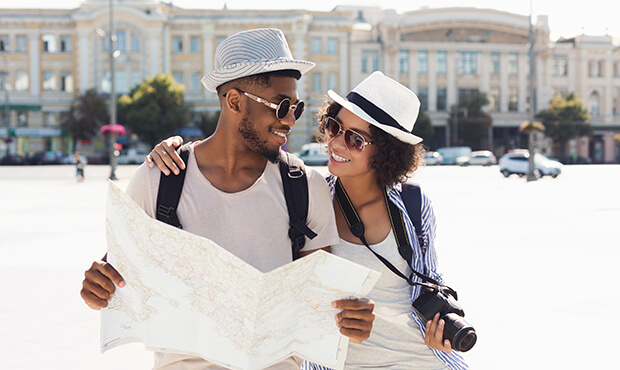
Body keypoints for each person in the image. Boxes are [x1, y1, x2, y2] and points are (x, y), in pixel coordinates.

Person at [80, 28, 375, 370]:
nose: (291, 120)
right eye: (281, 106)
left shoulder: (306, 187)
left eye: (296, 107)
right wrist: (97, 287)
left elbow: (321, 304)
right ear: (234, 101)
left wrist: (351, 319)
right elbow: (116, 276)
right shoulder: (158, 180)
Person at [150, 72, 469, 369]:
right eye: (334, 127)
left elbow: (428, 277)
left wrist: (439, 324)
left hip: (422, 360)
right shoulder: (304, 195)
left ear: (387, 152)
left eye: (355, 140)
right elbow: (235, 156)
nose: (336, 143)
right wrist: (178, 150)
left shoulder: (413, 204)